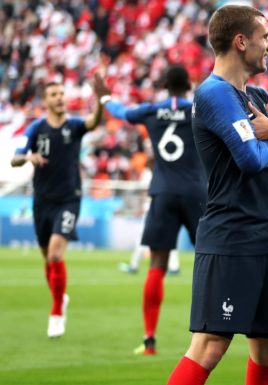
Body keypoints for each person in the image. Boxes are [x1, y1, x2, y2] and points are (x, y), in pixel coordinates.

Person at [166, 5, 268, 385]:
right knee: (210, 345)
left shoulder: (259, 94)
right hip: (230, 236)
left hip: (265, 236)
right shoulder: (213, 94)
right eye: (265, 37)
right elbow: (248, 159)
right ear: (241, 41)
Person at [104, 64, 207, 355]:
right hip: (196, 193)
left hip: (162, 191)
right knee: (210, 261)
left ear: (164, 85)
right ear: (189, 84)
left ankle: (149, 340)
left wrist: (103, 99)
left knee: (156, 266)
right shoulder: (198, 110)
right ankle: (213, 328)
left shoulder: (151, 111)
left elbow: (120, 112)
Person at [10, 74, 109, 338]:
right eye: (54, 94)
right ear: (46, 101)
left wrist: (99, 102)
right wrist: (28, 156)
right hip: (42, 201)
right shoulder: (36, 129)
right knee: (48, 259)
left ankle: (56, 311)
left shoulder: (74, 126)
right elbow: (14, 159)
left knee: (55, 254)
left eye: (62, 93)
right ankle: (60, 297)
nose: (60, 97)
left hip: (69, 198)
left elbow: (93, 121)